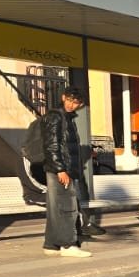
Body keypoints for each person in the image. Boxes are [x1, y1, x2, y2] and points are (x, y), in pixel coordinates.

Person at [41, 86, 93, 258]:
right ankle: (67, 244)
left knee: (56, 208)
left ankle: (51, 244)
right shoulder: (56, 117)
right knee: (67, 207)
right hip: (61, 171)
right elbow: (52, 145)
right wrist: (61, 169)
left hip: (61, 169)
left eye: (76, 102)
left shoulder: (66, 118)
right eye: (69, 100)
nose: (71, 104)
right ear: (63, 97)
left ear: (80, 104)